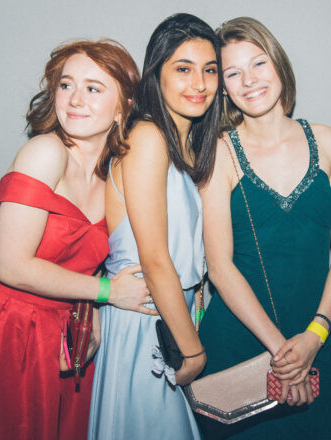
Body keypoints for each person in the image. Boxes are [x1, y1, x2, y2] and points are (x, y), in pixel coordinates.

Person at [0, 39, 155, 440]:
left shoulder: (111, 177)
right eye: (66, 85)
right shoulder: (45, 152)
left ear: (123, 107)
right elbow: (12, 266)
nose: (75, 99)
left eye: (93, 88)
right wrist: (109, 293)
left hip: (67, 342)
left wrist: (93, 317)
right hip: (13, 337)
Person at [197, 17, 331, 439]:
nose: (249, 80)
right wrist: (284, 357)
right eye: (233, 73)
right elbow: (220, 268)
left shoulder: (327, 141)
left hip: (314, 341)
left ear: (279, 64)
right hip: (241, 349)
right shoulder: (219, 152)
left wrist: (314, 337)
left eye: (258, 63)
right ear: (223, 88)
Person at [88, 13, 222, 439]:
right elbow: (155, 259)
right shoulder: (148, 137)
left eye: (210, 70)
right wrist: (194, 352)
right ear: (156, 74)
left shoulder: (183, 144)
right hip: (145, 324)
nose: (199, 83)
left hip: (170, 319)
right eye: (183, 69)